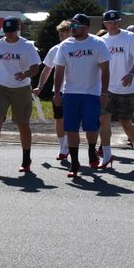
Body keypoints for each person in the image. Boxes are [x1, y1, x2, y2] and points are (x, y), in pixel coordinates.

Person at [52, 13, 110, 177]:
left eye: (76, 26)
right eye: (72, 26)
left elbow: (105, 70)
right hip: (70, 93)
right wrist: (57, 93)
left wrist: (104, 92)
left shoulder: (98, 43)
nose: (73, 29)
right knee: (70, 128)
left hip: (91, 93)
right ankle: (75, 163)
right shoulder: (65, 45)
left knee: (91, 127)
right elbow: (59, 71)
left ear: (86, 27)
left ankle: (92, 150)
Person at [0, 17, 41, 173]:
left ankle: (26, 159)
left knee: (22, 123)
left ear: (18, 28)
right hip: (0, 87)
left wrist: (26, 74)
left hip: (21, 88)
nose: (9, 34)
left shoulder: (27, 46)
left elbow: (35, 67)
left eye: (12, 31)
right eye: (6, 32)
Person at [97, 10, 134, 167]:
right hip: (106, 88)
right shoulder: (101, 41)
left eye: (116, 21)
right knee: (104, 121)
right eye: (110, 22)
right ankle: (107, 156)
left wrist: (131, 73)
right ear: (105, 24)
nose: (113, 24)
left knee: (125, 122)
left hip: (126, 88)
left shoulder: (130, 37)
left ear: (119, 22)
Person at [34, 20, 72, 160]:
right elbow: (47, 70)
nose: (63, 37)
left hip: (75, 89)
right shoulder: (55, 49)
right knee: (59, 119)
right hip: (59, 90)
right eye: (61, 34)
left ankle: (67, 146)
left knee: (72, 119)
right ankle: (63, 147)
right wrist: (40, 86)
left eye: (66, 34)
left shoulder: (79, 47)